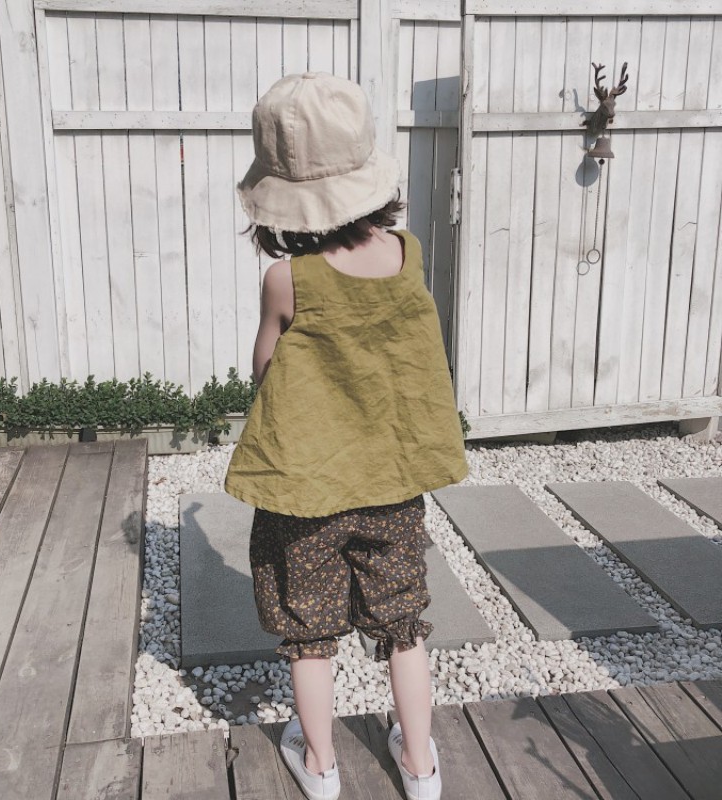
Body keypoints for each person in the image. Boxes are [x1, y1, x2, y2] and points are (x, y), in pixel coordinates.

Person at [224, 72, 469, 800]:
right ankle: (419, 766)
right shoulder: (408, 255)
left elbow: (266, 368)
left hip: (308, 491)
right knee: (403, 625)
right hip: (390, 486)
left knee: (310, 635)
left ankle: (322, 765)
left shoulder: (287, 279)